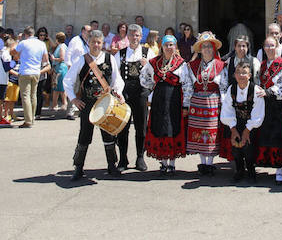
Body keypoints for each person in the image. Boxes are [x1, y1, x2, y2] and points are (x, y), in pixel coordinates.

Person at [64, 29, 125, 180]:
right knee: (84, 135)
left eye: (98, 42)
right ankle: (78, 167)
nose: (96, 45)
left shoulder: (109, 58)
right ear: (88, 43)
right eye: (93, 42)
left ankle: (112, 166)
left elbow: (117, 80)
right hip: (88, 104)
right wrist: (73, 99)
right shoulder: (81, 60)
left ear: (103, 43)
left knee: (109, 134)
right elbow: (68, 81)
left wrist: (119, 93)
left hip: (106, 103)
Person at [140, 34, 193, 174]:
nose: (169, 47)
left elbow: (187, 85)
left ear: (175, 47)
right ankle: (163, 162)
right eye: (166, 45)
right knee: (160, 127)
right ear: (161, 47)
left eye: (171, 45)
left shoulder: (181, 63)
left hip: (174, 99)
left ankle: (172, 163)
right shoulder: (154, 63)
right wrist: (152, 86)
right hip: (159, 100)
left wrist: (185, 105)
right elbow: (143, 78)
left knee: (172, 127)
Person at [186, 31, 226, 175]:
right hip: (197, 103)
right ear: (200, 50)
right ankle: (202, 163)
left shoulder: (221, 66)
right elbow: (188, 86)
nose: (207, 49)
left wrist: (224, 104)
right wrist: (186, 104)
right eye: (204, 47)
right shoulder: (192, 65)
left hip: (213, 103)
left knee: (211, 132)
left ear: (214, 49)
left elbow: (223, 87)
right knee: (198, 132)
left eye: (210, 46)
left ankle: (210, 163)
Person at [255, 36, 282, 184]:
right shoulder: (263, 65)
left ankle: (279, 169)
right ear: (264, 48)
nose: (270, 48)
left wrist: (269, 92)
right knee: (266, 135)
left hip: (277, 106)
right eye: (267, 46)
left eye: (272, 46)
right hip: (265, 105)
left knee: (278, 136)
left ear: (277, 47)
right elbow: (258, 82)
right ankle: (270, 164)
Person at [220, 62, 265, 183]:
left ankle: (251, 170)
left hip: (251, 123)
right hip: (235, 122)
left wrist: (247, 130)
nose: (241, 75)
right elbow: (227, 110)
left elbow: (258, 113)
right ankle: (239, 170)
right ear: (234, 75)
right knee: (236, 148)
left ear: (250, 75)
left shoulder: (255, 90)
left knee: (249, 148)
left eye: (244, 73)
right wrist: (233, 129)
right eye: (238, 72)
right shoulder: (231, 89)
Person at [114, 24, 151, 171]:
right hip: (125, 95)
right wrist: (117, 93)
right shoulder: (120, 54)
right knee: (123, 127)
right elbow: (115, 76)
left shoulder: (148, 53)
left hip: (141, 93)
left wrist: (148, 65)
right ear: (127, 36)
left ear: (141, 37)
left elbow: (155, 73)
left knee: (141, 127)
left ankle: (140, 157)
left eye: (137, 35)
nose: (134, 38)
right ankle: (123, 159)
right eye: (132, 35)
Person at [12, 27, 49, 128]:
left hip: (25, 71)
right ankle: (32, 118)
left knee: (25, 96)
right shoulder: (41, 44)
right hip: (36, 71)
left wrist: (18, 40)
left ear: (25, 34)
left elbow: (13, 52)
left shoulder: (23, 43)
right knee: (33, 95)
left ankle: (28, 120)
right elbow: (45, 58)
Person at [34, 27, 52, 117]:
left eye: (44, 35)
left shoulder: (46, 43)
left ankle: (38, 111)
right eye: (40, 35)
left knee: (41, 91)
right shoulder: (36, 43)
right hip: (36, 67)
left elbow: (53, 46)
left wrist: (49, 38)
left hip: (44, 65)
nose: (42, 37)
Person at [50, 32, 68, 111]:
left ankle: (64, 103)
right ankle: (55, 104)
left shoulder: (61, 47)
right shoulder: (62, 46)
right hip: (58, 68)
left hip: (60, 69)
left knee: (60, 87)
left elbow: (62, 58)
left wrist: (53, 59)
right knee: (56, 87)